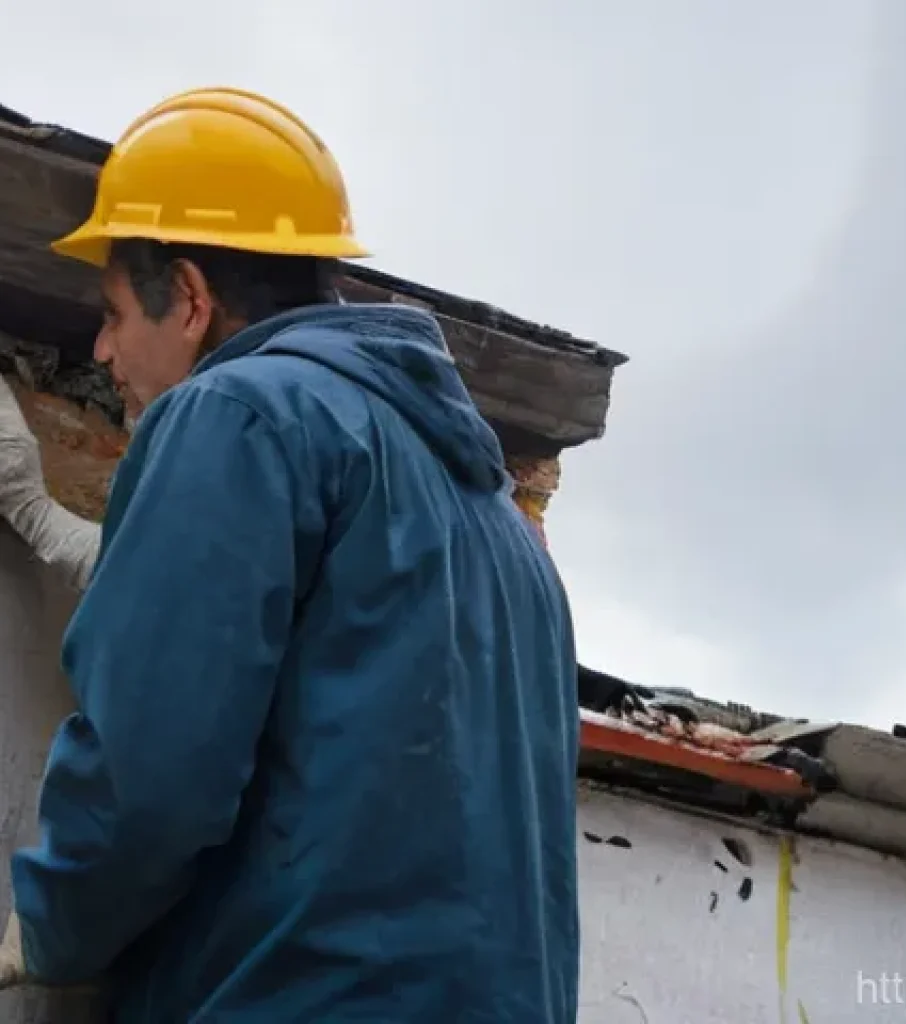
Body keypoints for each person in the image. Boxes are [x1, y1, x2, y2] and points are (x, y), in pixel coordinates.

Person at [0, 87, 580, 1022]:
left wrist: (53, 920)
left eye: (111, 312)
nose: (102, 350)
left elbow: (154, 774)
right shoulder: (499, 524)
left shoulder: (234, 415)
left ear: (189, 297)